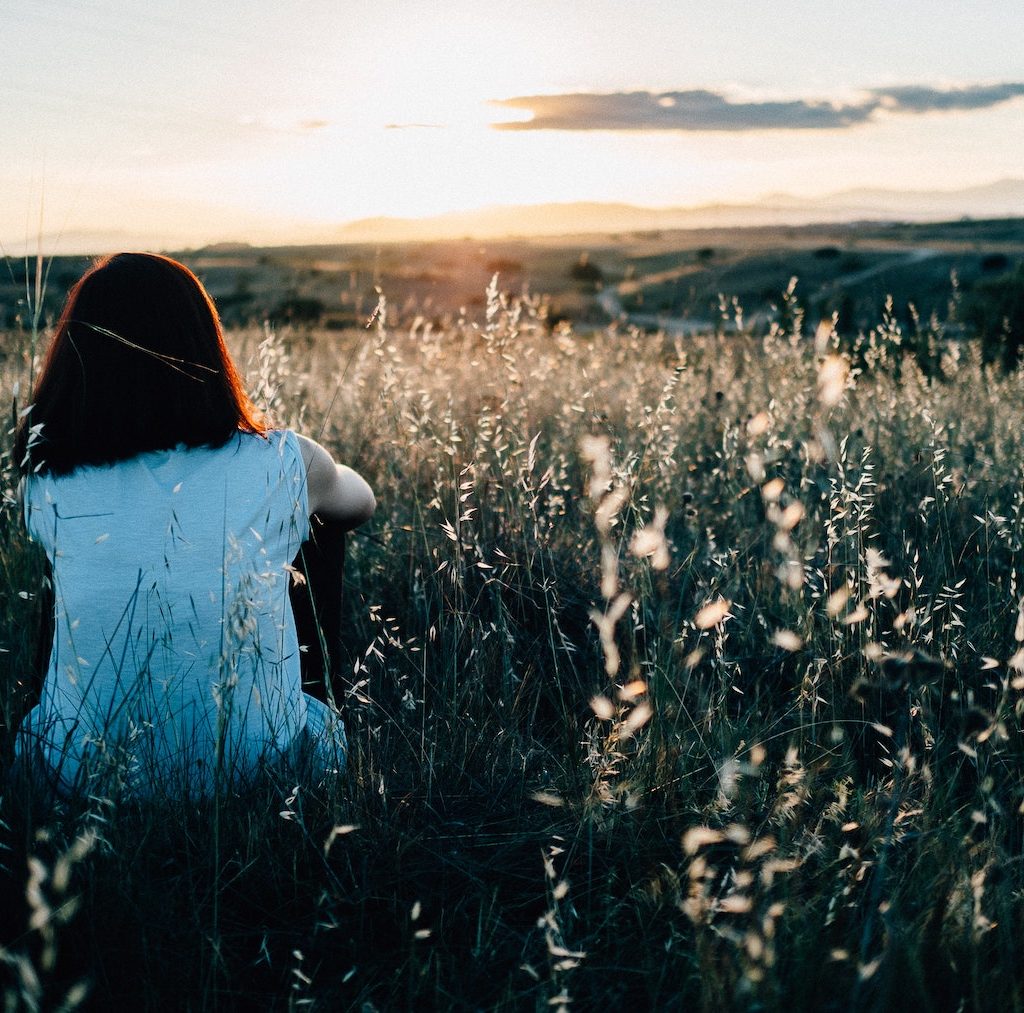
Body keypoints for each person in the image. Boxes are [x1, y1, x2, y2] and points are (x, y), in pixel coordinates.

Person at [12, 252, 375, 800]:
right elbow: (360, 503)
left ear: (76, 355)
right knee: (315, 528)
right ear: (206, 346)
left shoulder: (46, 474)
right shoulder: (283, 460)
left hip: (78, 774)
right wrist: (312, 477)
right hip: (260, 768)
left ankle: (84, 713)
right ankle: (308, 706)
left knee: (70, 556)